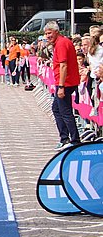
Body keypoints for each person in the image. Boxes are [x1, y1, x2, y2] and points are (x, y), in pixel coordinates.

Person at [44, 21, 81, 150]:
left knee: (65, 111)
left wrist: (61, 86)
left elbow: (63, 65)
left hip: (66, 83)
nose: (48, 36)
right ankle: (65, 137)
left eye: (50, 33)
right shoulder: (60, 43)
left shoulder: (61, 44)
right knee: (56, 108)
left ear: (56, 32)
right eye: (46, 34)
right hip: (66, 82)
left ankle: (74, 140)